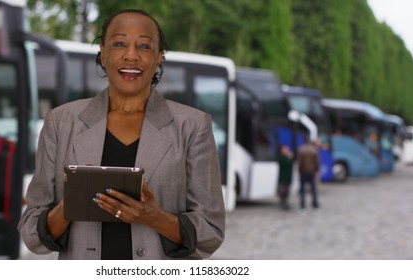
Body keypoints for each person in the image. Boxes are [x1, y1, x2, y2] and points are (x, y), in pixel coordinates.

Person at [17, 9, 225, 260]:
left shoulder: (193, 126)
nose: (131, 55)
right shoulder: (61, 122)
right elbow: (31, 231)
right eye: (118, 43)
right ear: (103, 53)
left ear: (159, 57)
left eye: (145, 46)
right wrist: (69, 205)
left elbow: (211, 232)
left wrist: (154, 217)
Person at [297, 139, 320, 210]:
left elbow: (300, 163)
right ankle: (315, 205)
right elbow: (317, 162)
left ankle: (303, 206)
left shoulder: (301, 150)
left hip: (303, 172)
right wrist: (316, 171)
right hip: (312, 172)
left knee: (302, 190)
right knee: (313, 190)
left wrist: (300, 171)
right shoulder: (314, 151)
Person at [276, 145, 293, 210]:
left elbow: (291, 164)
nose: (287, 151)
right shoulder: (281, 158)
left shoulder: (288, 157)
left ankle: (285, 203)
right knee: (282, 191)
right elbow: (287, 163)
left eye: (287, 149)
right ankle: (282, 203)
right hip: (283, 177)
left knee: (287, 191)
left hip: (288, 178)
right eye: (285, 150)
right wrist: (289, 158)